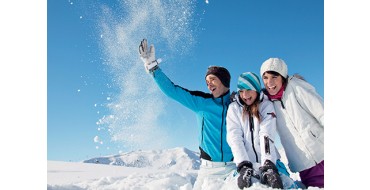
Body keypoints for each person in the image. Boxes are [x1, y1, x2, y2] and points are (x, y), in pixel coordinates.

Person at [139, 39, 236, 190]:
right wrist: (153, 68)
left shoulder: (237, 105)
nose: (209, 84)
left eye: (212, 79)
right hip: (209, 170)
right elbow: (173, 91)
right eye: (207, 81)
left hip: (233, 169)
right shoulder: (202, 102)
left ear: (224, 81)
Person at [260, 57, 324, 188]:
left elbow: (322, 112)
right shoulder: (266, 102)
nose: (269, 82)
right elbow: (249, 98)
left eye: (274, 76)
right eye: (265, 78)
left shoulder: (296, 86)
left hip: (323, 149)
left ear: (282, 77)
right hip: (303, 162)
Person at [226, 72, 284, 189]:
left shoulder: (266, 105)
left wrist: (268, 164)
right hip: (245, 164)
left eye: (248, 89)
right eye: (241, 91)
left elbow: (266, 134)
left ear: (256, 89)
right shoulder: (234, 109)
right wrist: (243, 164)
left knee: (286, 184)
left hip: (271, 160)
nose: (245, 95)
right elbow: (234, 137)